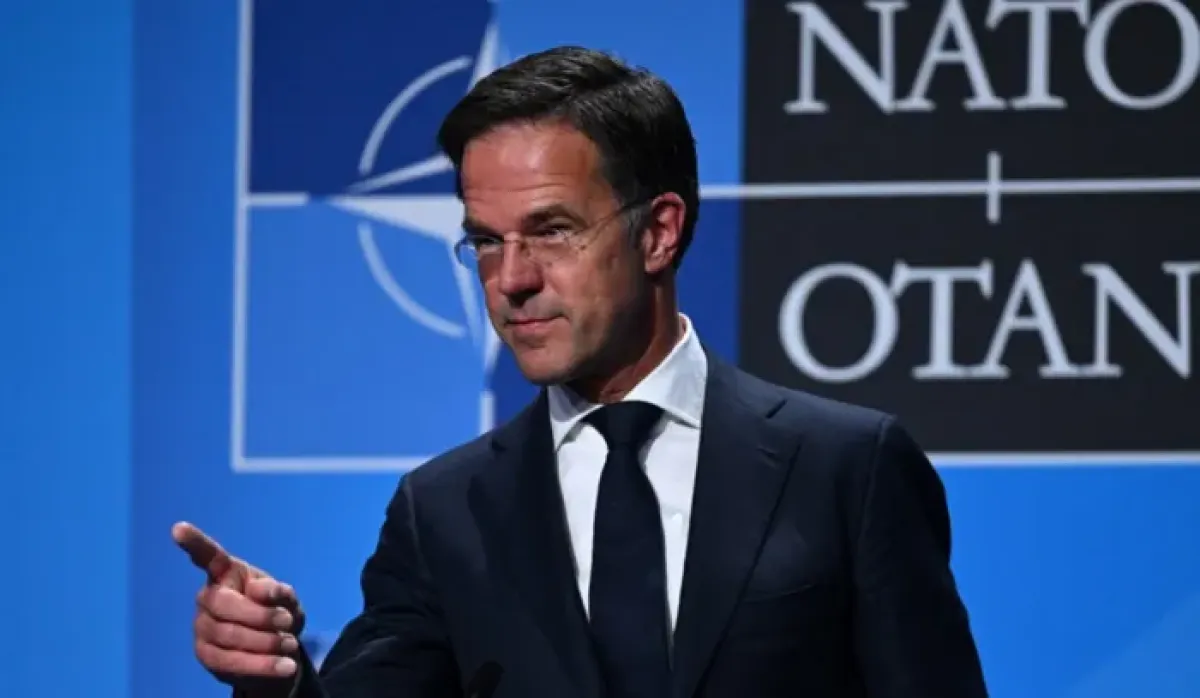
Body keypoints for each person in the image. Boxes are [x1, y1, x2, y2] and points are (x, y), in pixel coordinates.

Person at [174, 45, 989, 698]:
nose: (511, 278)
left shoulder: (844, 469)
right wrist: (276, 680)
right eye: (485, 240)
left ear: (659, 232)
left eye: (552, 230)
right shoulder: (446, 512)